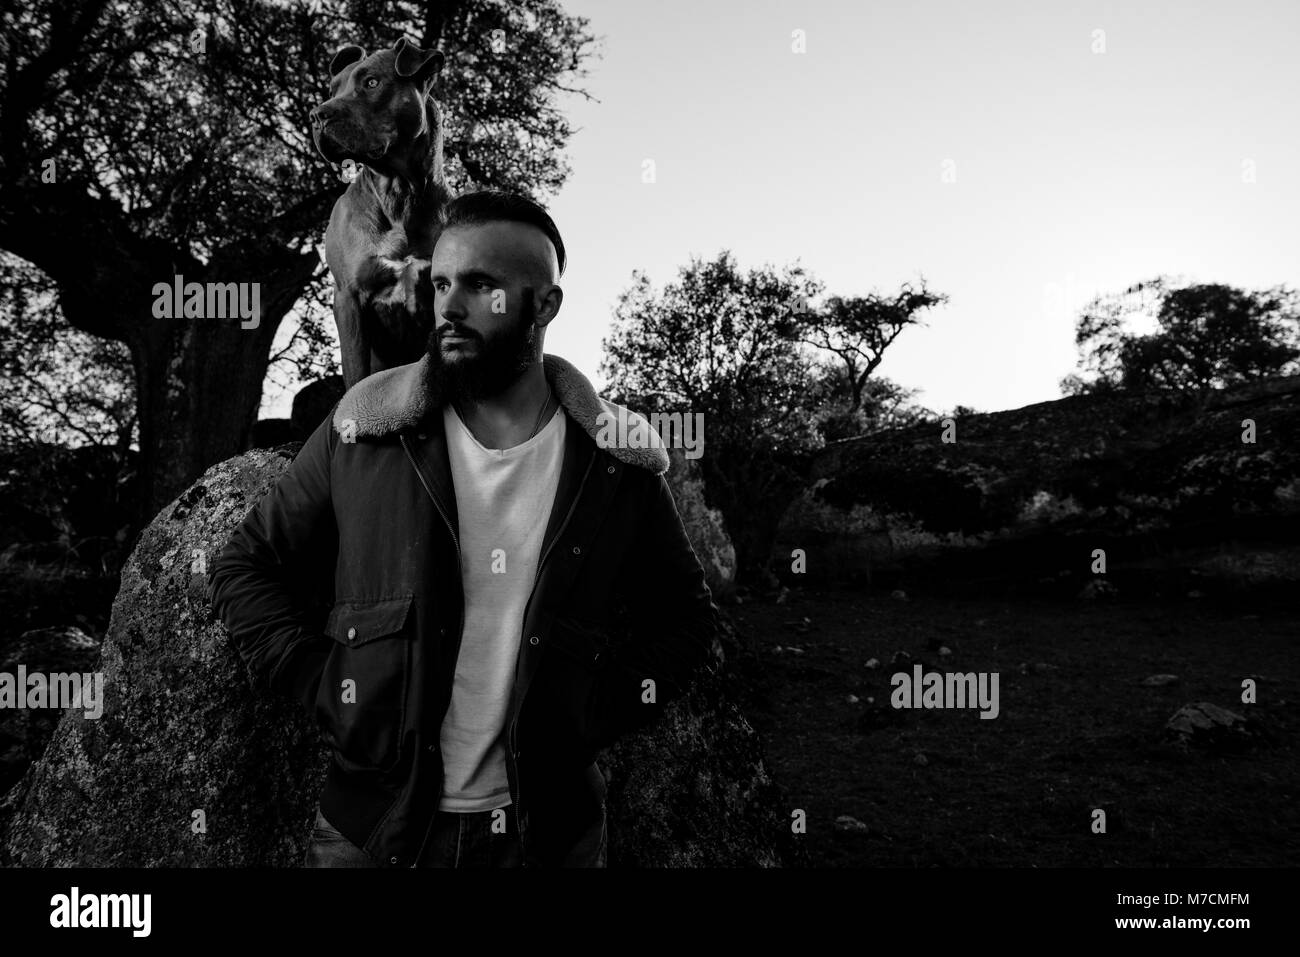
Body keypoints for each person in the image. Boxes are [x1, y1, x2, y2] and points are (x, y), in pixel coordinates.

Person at [208, 189, 720, 868]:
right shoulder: (366, 433)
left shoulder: (615, 464)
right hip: (373, 829)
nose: (447, 306)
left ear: (544, 305)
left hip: (547, 835)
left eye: (480, 285)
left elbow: (684, 618)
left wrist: (592, 712)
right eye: (441, 282)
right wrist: (323, 683)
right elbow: (245, 564)